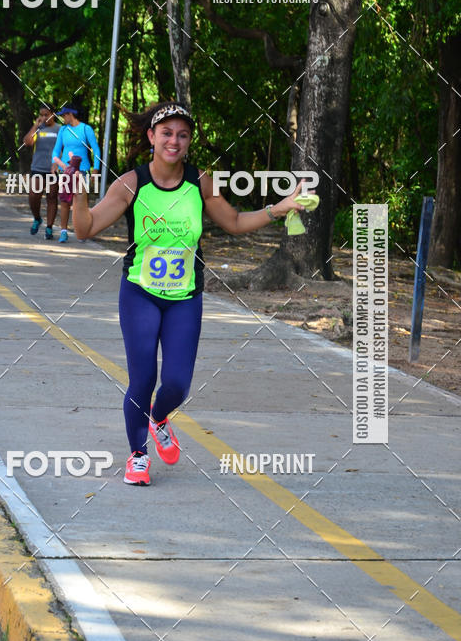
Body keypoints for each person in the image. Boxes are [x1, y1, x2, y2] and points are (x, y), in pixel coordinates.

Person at [71, 101, 314, 486]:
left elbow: (233, 222)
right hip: (141, 293)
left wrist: (279, 209)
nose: (174, 141)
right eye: (166, 133)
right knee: (142, 378)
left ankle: (159, 416)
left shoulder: (201, 182)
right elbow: (84, 229)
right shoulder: (131, 183)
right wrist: (78, 192)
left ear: (188, 142)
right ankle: (137, 455)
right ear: (151, 136)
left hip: (185, 297)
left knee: (178, 384)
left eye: (182, 135)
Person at [51, 104, 102, 243]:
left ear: (70, 114)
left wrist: (95, 168)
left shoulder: (86, 129)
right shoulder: (63, 130)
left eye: (64, 115)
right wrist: (54, 162)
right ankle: (63, 231)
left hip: (82, 170)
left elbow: (96, 150)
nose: (62, 118)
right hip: (65, 170)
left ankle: (82, 231)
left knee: (81, 202)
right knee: (64, 201)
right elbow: (56, 150)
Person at [22, 106, 61, 239]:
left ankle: (49, 228)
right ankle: (37, 218)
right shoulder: (39, 128)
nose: (44, 117)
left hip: (53, 169)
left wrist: (58, 163)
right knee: (34, 195)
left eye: (46, 114)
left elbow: (64, 147)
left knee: (51, 197)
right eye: (41, 115)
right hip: (38, 167)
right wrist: (35, 126)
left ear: (53, 114)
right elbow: (28, 142)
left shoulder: (59, 129)